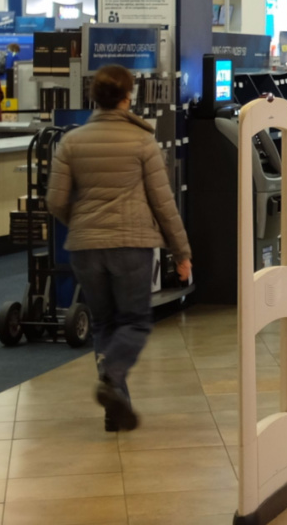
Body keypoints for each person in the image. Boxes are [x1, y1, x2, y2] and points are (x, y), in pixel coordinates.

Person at [46, 65, 192, 432]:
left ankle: (117, 407)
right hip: (131, 245)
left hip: (84, 247)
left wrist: (81, 223)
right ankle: (112, 377)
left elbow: (55, 200)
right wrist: (182, 252)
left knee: (105, 324)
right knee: (136, 322)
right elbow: (163, 204)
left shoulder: (71, 141)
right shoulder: (142, 141)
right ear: (128, 97)